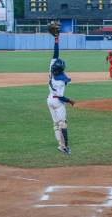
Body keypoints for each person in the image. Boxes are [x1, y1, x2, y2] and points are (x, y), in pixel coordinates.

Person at [47, 24, 75, 155]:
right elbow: (60, 97)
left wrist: (56, 39)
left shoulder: (51, 68)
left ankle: (60, 145)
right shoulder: (60, 82)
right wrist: (70, 101)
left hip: (49, 100)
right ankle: (64, 147)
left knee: (56, 124)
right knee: (62, 124)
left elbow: (55, 53)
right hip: (57, 102)